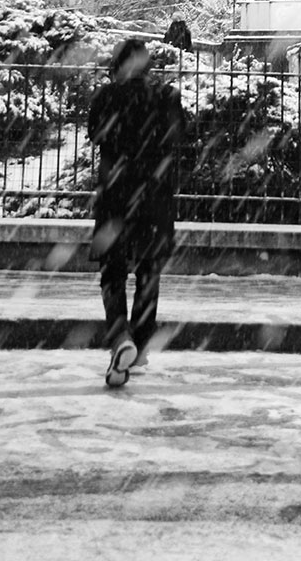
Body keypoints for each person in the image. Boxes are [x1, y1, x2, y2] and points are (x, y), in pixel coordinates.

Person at [87, 38, 186, 387]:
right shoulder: (167, 97)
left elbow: (95, 134)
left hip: (116, 197)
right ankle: (140, 344)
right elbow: (180, 138)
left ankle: (120, 337)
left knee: (112, 274)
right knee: (149, 272)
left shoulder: (106, 97)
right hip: (155, 199)